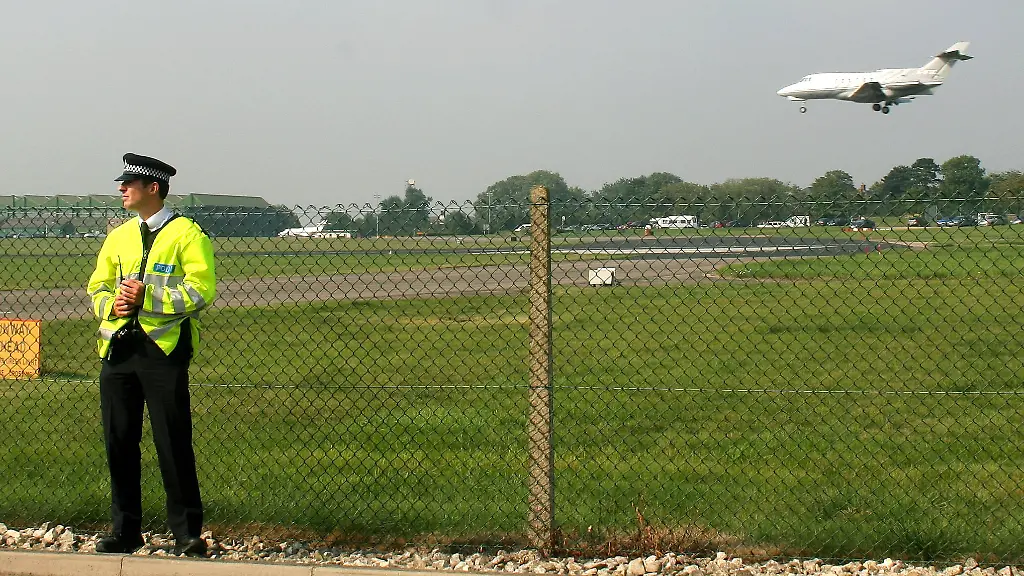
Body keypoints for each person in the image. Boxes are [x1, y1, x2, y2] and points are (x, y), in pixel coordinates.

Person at [86, 153, 216, 556]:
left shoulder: (188, 235)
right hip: (119, 351)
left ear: (153, 189)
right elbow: (98, 287)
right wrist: (114, 306)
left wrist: (149, 297)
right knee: (118, 440)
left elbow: (201, 291)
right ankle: (125, 530)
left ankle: (186, 534)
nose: (121, 189)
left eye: (129, 184)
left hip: (163, 351)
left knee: (172, 441)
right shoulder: (118, 236)